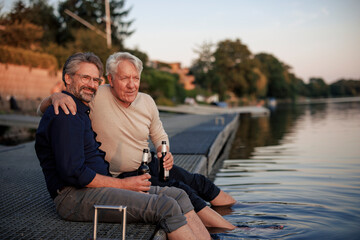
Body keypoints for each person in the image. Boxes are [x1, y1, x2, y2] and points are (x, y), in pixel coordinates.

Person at [38, 52, 236, 230]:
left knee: (197, 181)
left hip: (148, 162)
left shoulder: (147, 101)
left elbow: (158, 133)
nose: (132, 84)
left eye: (136, 78)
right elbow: (55, 105)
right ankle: (229, 230)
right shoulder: (96, 94)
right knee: (181, 191)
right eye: (124, 78)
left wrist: (163, 150)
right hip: (120, 175)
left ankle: (238, 218)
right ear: (111, 79)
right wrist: (54, 97)